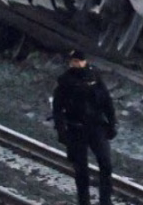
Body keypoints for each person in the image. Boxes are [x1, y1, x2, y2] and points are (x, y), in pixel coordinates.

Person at [53, 50, 117, 205]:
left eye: (78, 61)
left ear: (85, 61)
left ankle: (105, 201)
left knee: (106, 164)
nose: (76, 64)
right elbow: (57, 108)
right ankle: (84, 202)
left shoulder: (95, 77)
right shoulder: (65, 81)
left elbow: (107, 101)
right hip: (76, 129)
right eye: (73, 61)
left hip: (96, 127)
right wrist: (62, 131)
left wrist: (112, 123)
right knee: (81, 171)